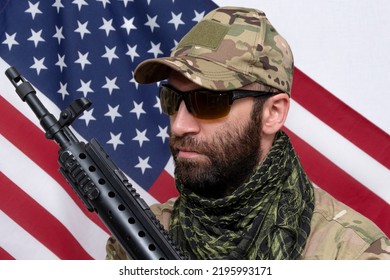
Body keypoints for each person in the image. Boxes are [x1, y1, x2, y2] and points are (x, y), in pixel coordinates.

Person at [106, 6, 390, 260]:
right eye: (171, 99)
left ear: (273, 113)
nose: (179, 125)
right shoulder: (141, 238)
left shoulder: (350, 252)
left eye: (208, 101)